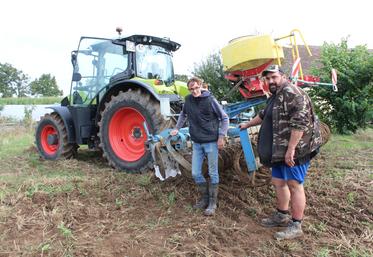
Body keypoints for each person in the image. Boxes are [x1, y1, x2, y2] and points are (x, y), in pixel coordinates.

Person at [240, 65, 322, 240]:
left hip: (297, 150)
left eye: (274, 77)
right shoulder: (275, 95)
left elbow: (300, 124)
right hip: (279, 149)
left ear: (283, 76)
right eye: (267, 79)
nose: (271, 81)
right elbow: (264, 114)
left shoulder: (293, 94)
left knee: (294, 184)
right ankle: (282, 215)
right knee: (278, 182)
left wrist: (291, 149)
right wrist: (247, 125)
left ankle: (296, 224)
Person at [170, 77, 229, 216]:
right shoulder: (188, 101)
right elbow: (183, 114)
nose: (194, 91)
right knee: (196, 173)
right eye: (191, 89)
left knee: (213, 173)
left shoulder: (210, 100)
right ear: (189, 90)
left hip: (211, 142)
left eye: (196, 88)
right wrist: (177, 128)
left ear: (201, 86)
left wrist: (221, 136)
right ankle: (205, 199)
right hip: (197, 143)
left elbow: (224, 118)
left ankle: (213, 203)